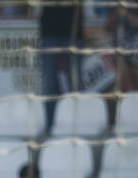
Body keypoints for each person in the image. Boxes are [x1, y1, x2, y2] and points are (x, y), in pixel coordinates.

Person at [37, 0, 82, 133]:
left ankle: (74, 125)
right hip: (49, 33)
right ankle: (50, 127)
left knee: (74, 86)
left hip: (74, 34)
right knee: (50, 85)